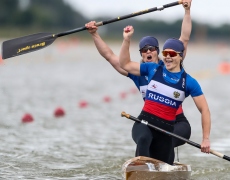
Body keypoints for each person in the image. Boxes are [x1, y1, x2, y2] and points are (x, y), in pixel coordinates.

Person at [85, 0, 193, 163]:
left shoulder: (169, 66)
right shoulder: (137, 73)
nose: (148, 52)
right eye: (144, 50)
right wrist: (94, 34)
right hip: (151, 120)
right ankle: (141, 170)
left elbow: (184, 39)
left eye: (152, 49)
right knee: (144, 140)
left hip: (177, 123)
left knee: (166, 140)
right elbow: (110, 56)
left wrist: (187, 11)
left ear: (158, 53)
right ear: (141, 55)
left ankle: (164, 169)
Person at [119, 25, 211, 165]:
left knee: (164, 162)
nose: (167, 57)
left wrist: (205, 139)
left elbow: (204, 110)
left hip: (166, 131)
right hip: (144, 123)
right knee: (143, 139)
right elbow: (124, 64)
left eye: (172, 54)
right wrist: (126, 40)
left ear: (181, 56)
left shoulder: (189, 82)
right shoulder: (152, 68)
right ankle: (142, 170)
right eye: (165, 53)